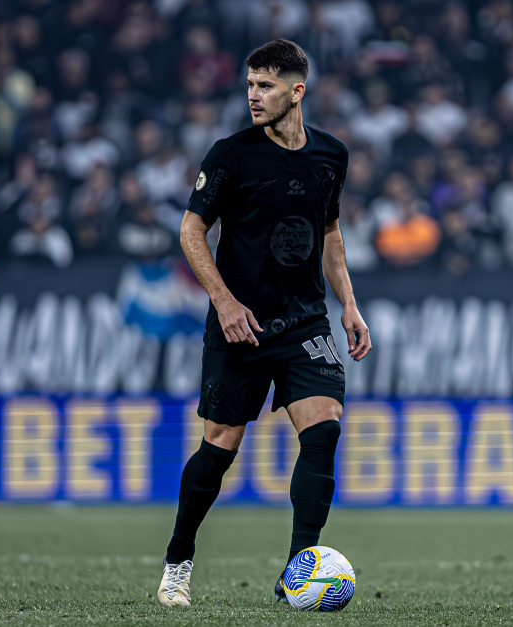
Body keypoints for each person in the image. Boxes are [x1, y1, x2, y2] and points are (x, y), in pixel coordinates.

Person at [156, 39, 372, 607]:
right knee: (219, 450)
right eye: (250, 84)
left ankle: (297, 574)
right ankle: (178, 558)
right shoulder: (230, 155)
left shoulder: (332, 155)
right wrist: (225, 303)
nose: (254, 95)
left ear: (297, 92)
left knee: (323, 432)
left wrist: (348, 303)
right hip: (239, 327)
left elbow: (328, 233)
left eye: (266, 86)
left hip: (305, 323)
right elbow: (189, 231)